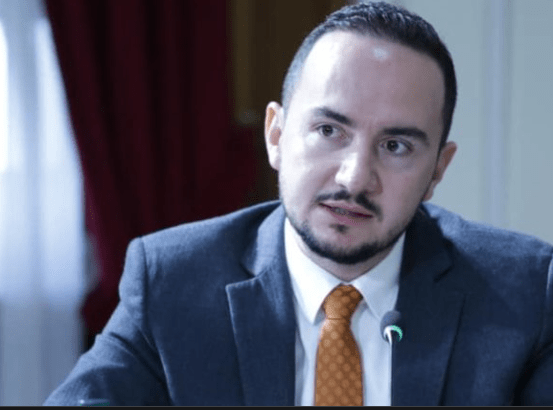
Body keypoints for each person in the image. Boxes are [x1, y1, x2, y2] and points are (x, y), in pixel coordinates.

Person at [45, 1, 553, 406]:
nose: (355, 178)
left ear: (438, 169)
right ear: (276, 135)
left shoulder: (526, 291)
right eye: (329, 130)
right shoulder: (172, 282)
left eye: (396, 146)